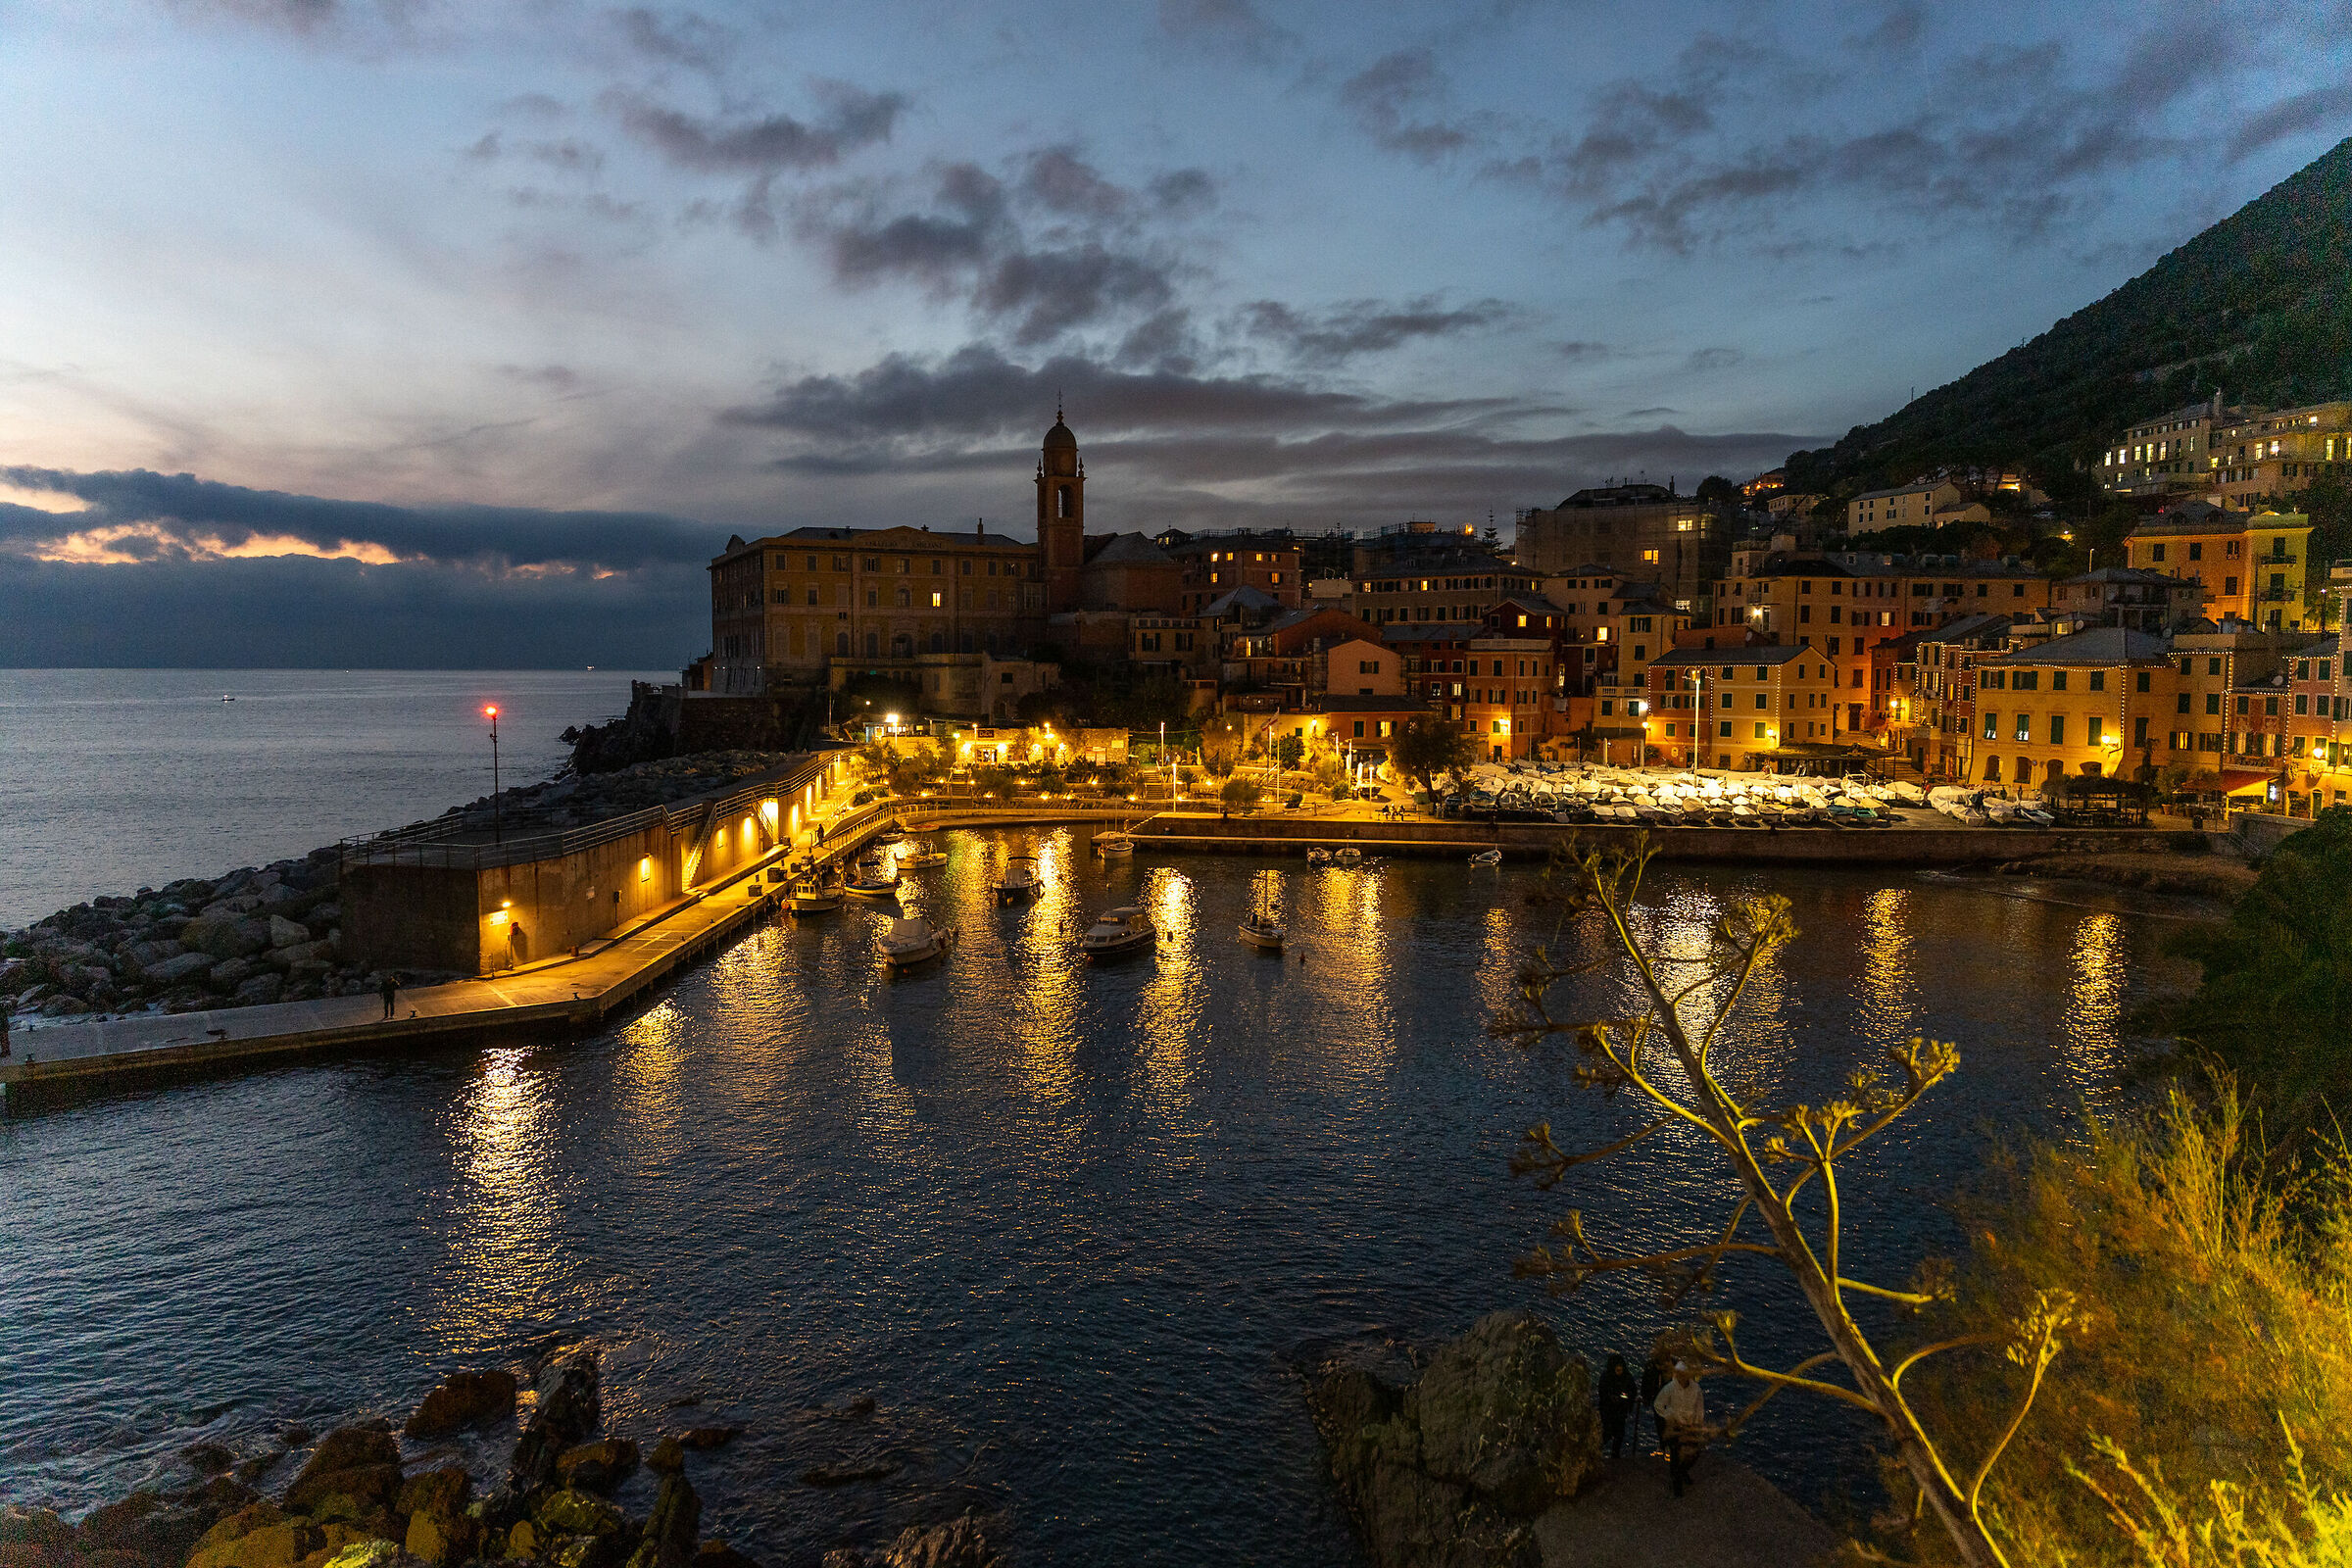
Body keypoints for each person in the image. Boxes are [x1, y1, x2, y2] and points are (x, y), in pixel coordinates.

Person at [1653, 1361, 1706, 1497]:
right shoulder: (1670, 1388)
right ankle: (1677, 1485)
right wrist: (1669, 1417)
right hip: (1676, 1426)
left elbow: (1699, 1408)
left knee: (1694, 1454)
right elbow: (1658, 1404)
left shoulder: (1696, 1389)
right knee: (1676, 1455)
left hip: (1690, 1427)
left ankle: (1681, 1473)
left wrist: (1697, 1424)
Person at [1597, 1353, 1638, 1459]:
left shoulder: (1626, 1378)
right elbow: (1603, 1393)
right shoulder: (1606, 1378)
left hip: (1620, 1411)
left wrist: (1623, 1398)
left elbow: (1632, 1391)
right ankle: (1597, 1453)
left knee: (1619, 1434)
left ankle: (1614, 1455)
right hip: (1609, 1411)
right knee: (1607, 1433)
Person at [1639, 1350, 1669, 1454]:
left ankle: (1664, 1446)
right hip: (1661, 1399)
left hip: (1663, 1399)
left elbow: (1645, 1382)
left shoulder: (1651, 1367)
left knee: (1662, 1423)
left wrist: (1645, 1397)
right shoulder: (1654, 1368)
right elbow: (1646, 1382)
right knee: (1661, 1424)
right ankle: (1664, 1446)